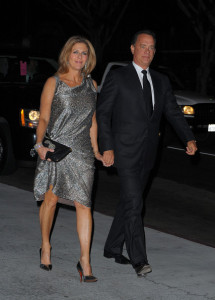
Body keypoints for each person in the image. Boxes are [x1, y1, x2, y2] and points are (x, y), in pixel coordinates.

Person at [96, 29, 197, 277]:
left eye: (152, 47)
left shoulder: (161, 81)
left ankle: (111, 247)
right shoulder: (119, 77)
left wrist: (189, 137)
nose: (148, 52)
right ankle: (139, 259)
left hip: (149, 153)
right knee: (134, 204)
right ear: (132, 49)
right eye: (143, 46)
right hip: (124, 152)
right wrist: (106, 147)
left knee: (129, 202)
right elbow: (103, 113)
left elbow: (173, 113)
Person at [33, 35, 103, 283]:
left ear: (88, 57)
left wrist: (96, 151)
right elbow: (43, 118)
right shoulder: (54, 82)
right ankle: (46, 246)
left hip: (82, 152)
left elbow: (92, 121)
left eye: (84, 53)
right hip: (57, 149)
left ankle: (85, 261)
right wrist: (39, 144)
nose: (79, 57)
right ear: (67, 54)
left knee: (84, 204)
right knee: (50, 200)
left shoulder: (92, 85)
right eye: (75, 52)